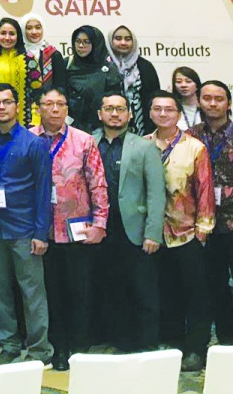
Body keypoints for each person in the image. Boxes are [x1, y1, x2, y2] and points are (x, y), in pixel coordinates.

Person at [0, 83, 53, 365]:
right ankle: (8, 343)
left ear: (17, 106)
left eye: (7, 102)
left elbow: (44, 190)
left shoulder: (34, 143)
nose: (1, 107)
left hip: (24, 229)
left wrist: (41, 233)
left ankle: (39, 349)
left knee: (32, 293)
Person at [32, 86, 108, 370]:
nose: (54, 109)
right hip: (42, 232)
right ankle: (58, 347)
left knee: (79, 291)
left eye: (60, 104)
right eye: (48, 103)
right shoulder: (29, 138)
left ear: (67, 109)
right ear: (38, 107)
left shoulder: (84, 141)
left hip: (77, 230)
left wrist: (100, 223)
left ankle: (80, 347)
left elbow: (98, 184)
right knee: (50, 292)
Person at [93, 90, 165, 353]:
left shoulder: (144, 146)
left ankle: (147, 345)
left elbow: (157, 192)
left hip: (136, 230)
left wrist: (153, 233)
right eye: (109, 108)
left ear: (130, 113)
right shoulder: (89, 142)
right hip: (101, 230)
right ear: (100, 113)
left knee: (144, 291)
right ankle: (119, 342)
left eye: (120, 109)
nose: (115, 113)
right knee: (112, 288)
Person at [147, 91, 214, 371]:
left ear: (178, 114)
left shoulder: (194, 147)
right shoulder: (143, 145)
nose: (163, 114)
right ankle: (171, 345)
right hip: (154, 235)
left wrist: (202, 229)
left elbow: (205, 190)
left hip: (187, 233)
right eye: (158, 109)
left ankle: (196, 349)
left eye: (169, 110)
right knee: (165, 292)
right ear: (150, 112)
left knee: (195, 294)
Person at [185, 80, 233, 345]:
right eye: (207, 98)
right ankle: (225, 340)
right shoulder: (190, 137)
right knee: (212, 285)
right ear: (199, 101)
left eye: (219, 98)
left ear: (229, 103)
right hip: (203, 226)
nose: (213, 104)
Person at [63, 25, 121, 134]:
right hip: (71, 128)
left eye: (86, 42)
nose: (81, 45)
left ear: (95, 44)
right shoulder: (67, 64)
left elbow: (114, 100)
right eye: (78, 41)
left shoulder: (108, 68)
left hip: (101, 129)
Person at [0, 18, 36, 129]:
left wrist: (36, 121)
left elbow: (37, 92)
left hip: (25, 122)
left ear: (18, 36)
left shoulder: (29, 60)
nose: (7, 38)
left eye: (12, 34)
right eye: (3, 33)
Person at [109, 25, 162, 137]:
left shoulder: (145, 67)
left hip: (141, 128)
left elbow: (154, 98)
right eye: (118, 38)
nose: (123, 42)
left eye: (128, 39)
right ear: (110, 40)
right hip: (109, 127)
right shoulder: (103, 66)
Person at [23, 14, 67, 127]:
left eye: (38, 27)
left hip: (49, 109)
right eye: (29, 28)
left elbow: (61, 85)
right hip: (23, 111)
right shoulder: (18, 54)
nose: (34, 32)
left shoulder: (53, 54)